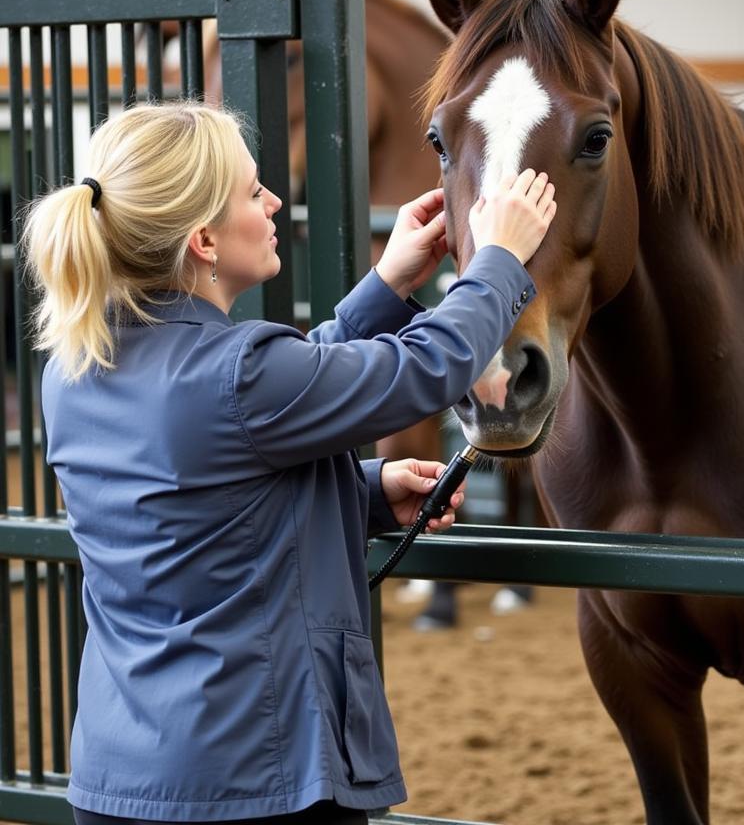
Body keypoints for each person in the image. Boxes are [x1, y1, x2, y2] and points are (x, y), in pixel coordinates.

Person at [24, 102, 556, 825]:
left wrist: (361, 487)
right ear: (204, 241)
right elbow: (424, 369)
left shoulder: (74, 368)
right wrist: (498, 259)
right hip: (256, 781)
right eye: (252, 190)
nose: (274, 200)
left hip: (121, 776)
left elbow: (209, 488)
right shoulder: (240, 376)